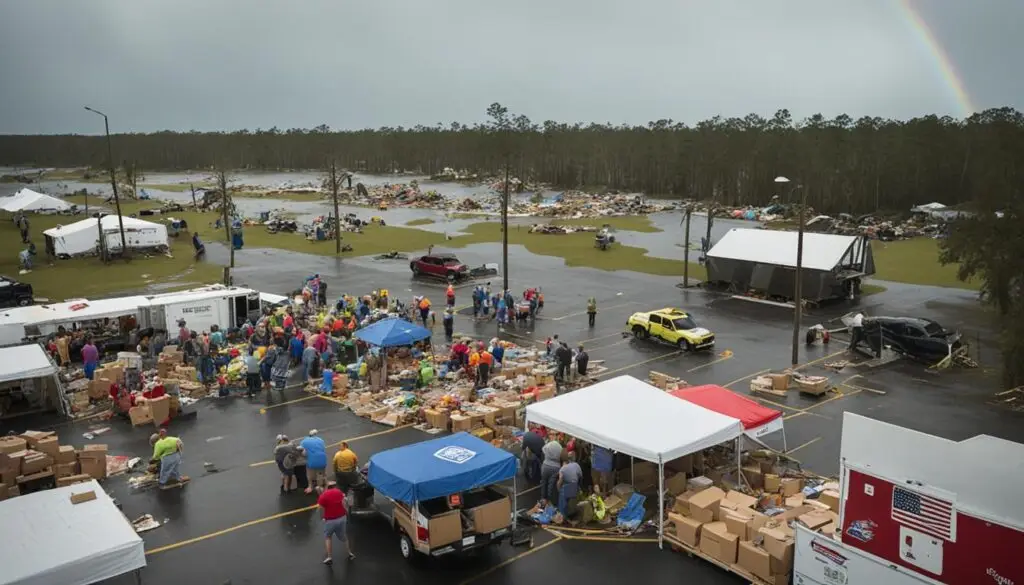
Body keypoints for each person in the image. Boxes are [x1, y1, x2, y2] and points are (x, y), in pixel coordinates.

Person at [318, 480, 355, 565]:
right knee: (344, 537)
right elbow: (344, 503)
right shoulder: (339, 492)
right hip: (342, 518)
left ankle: (329, 557)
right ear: (335, 486)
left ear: (326, 487)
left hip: (330, 520)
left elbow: (321, 508)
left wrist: (322, 518)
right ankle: (349, 553)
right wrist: (346, 513)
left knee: (328, 537)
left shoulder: (323, 496)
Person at [301, 429, 328, 494]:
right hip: (322, 460)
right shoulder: (321, 440)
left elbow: (303, 453)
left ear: (309, 435)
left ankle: (310, 486)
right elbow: (323, 449)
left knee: (309, 474)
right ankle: (321, 486)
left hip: (312, 462)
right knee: (321, 474)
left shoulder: (304, 441)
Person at [557, 451, 583, 517]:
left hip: (568, 488)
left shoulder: (562, 469)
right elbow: (580, 477)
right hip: (575, 487)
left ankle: (562, 515)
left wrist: (559, 490)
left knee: (562, 492)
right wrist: (579, 488)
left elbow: (559, 483)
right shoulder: (576, 465)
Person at [540, 437, 563, 505]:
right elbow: (561, 456)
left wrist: (547, 456)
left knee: (544, 482)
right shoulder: (560, 447)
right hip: (555, 467)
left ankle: (543, 498)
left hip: (545, 465)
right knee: (551, 485)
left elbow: (543, 449)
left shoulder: (549, 444)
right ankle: (550, 500)